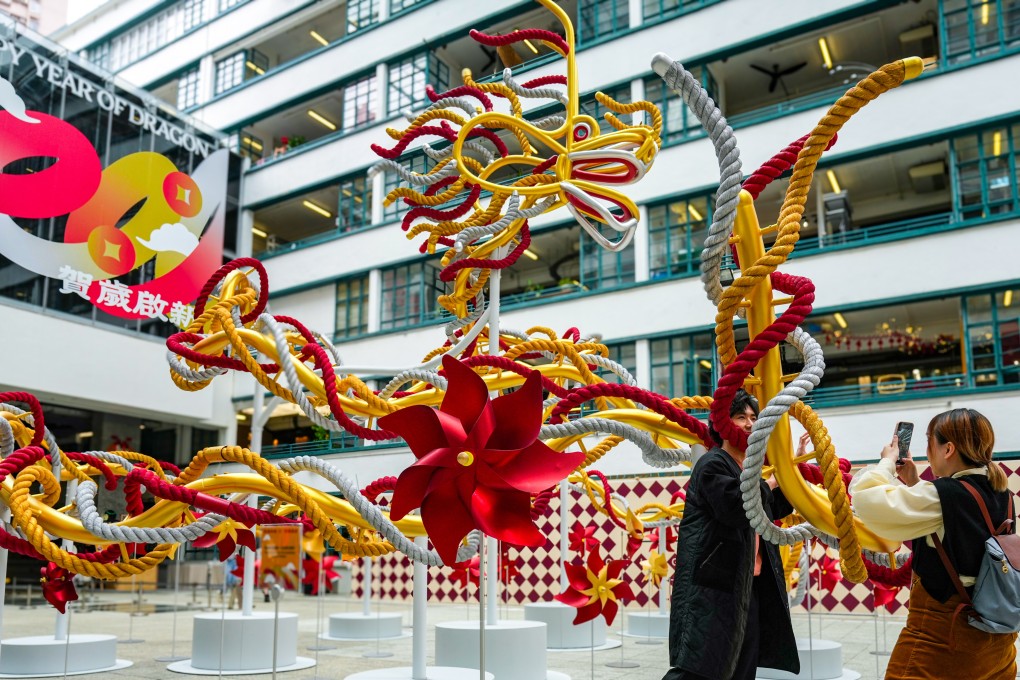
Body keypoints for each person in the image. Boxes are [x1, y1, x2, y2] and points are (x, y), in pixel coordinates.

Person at [850, 408, 1016, 679]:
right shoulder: (1003, 492)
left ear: (948, 448)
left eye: (929, 442)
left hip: (944, 637)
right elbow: (950, 526)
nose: (927, 451)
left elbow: (867, 500)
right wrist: (915, 482)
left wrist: (887, 463)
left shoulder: (944, 494)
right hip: (998, 642)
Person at [664, 390, 800, 680]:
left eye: (754, 417)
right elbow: (735, 507)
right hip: (715, 589)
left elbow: (772, 508)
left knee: (741, 668)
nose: (750, 423)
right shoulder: (712, 464)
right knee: (701, 668)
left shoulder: (746, 470)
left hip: (747, 587)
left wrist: (794, 473)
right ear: (723, 425)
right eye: (741, 417)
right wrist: (774, 481)